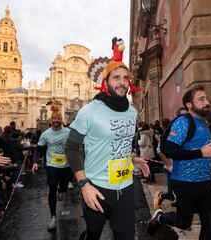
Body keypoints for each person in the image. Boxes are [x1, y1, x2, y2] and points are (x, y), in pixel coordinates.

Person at [65, 37, 149, 240]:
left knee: (125, 236)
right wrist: (84, 184)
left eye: (125, 78)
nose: (122, 82)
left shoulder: (131, 111)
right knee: (93, 234)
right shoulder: (90, 110)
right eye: (116, 77)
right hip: (97, 188)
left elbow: (121, 142)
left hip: (126, 187)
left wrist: (132, 158)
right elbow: (71, 147)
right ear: (106, 82)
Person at [147, 85, 211, 240]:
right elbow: (169, 150)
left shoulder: (204, 123)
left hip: (205, 182)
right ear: (189, 104)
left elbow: (199, 148)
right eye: (201, 99)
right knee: (183, 222)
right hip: (185, 183)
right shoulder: (184, 122)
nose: (207, 102)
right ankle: (161, 217)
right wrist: (201, 152)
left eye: (207, 98)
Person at [32, 105, 73, 231]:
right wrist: (35, 162)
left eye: (58, 119)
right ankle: (53, 216)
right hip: (52, 165)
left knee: (64, 186)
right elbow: (38, 149)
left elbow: (75, 145)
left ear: (61, 120)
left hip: (66, 165)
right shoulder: (46, 134)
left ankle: (62, 190)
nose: (56, 121)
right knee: (52, 187)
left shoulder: (68, 132)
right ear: (51, 121)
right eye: (54, 119)